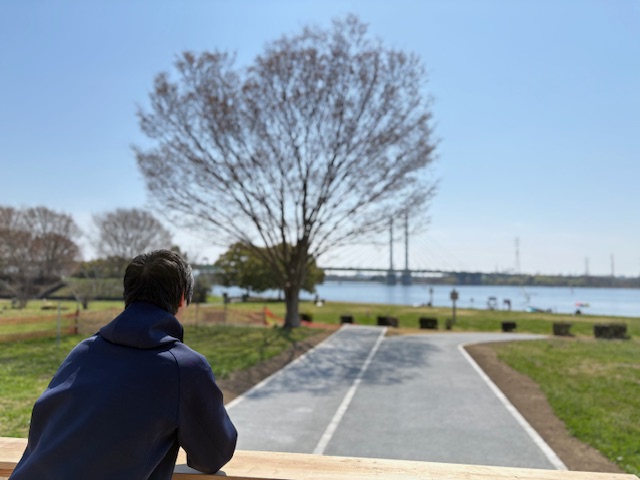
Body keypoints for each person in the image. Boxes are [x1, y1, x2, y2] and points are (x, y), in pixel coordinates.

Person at [10, 250, 237, 479]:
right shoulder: (184, 368)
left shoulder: (83, 352)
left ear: (127, 295)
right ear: (181, 298)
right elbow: (213, 455)